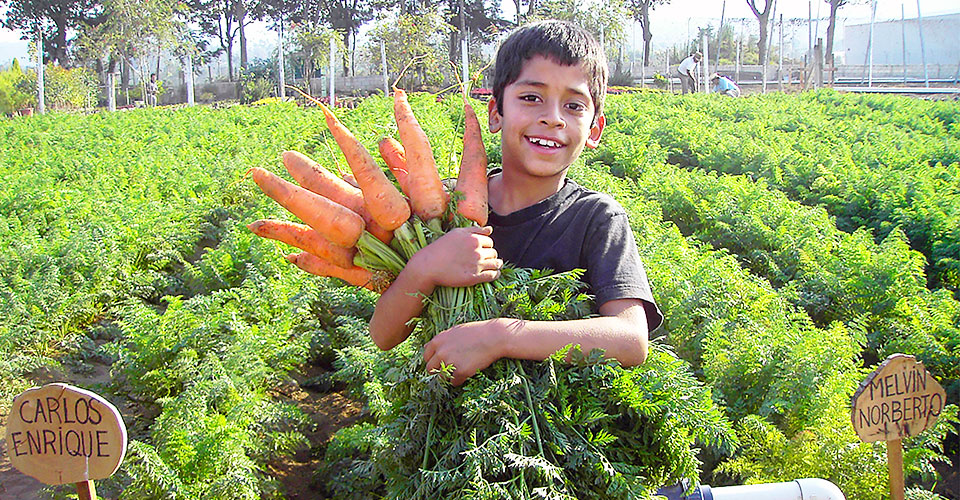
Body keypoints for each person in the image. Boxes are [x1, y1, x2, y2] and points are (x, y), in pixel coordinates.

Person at [369, 20, 663, 386]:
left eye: (573, 105)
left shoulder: (596, 218)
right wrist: (423, 268)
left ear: (594, 130)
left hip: (553, 434)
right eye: (531, 97)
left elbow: (631, 339)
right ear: (495, 113)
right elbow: (384, 335)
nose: (552, 118)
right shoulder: (440, 211)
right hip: (448, 419)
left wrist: (501, 337)